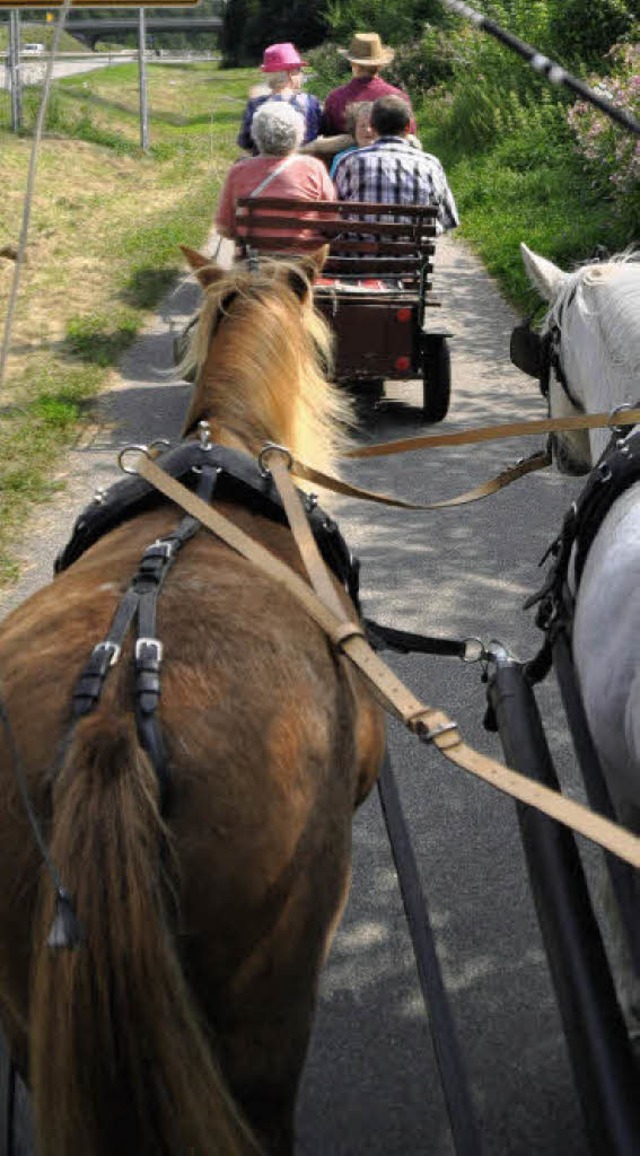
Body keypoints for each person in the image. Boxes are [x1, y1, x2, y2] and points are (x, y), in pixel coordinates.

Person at [332, 95, 459, 235]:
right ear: (407, 127)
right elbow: (449, 220)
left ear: (373, 127)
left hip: (358, 254)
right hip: (412, 255)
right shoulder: (430, 164)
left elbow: (333, 212)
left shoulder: (349, 162)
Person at [216, 100, 335, 249]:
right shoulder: (313, 167)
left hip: (255, 262)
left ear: (256, 133)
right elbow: (329, 220)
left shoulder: (239, 170)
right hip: (302, 263)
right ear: (298, 133)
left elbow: (225, 228)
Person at [321, 32, 416, 137]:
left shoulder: (335, 98)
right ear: (380, 65)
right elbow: (409, 134)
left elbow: (328, 135)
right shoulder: (399, 98)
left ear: (352, 63)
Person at [237, 42, 322, 154]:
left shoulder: (254, 105)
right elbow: (321, 132)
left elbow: (245, 142)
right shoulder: (310, 103)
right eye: (300, 70)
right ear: (291, 73)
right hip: (303, 162)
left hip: (265, 165)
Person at [328, 101, 375, 179]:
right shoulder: (342, 158)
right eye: (362, 126)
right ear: (353, 129)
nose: (368, 130)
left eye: (373, 126)